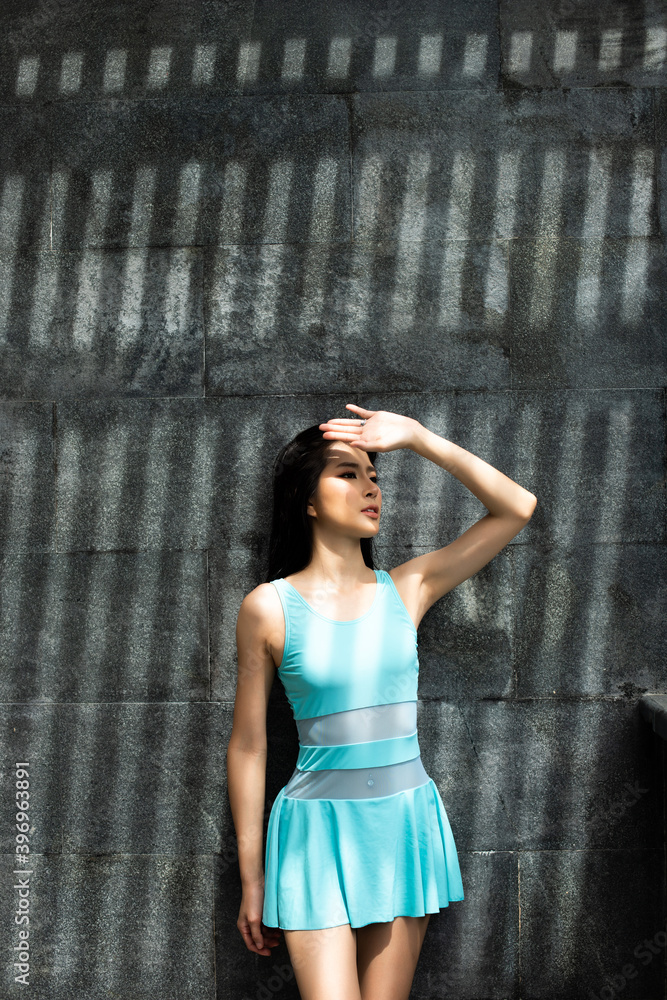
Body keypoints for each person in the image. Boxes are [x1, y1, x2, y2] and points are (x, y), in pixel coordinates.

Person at [227, 403, 537, 1000]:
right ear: (307, 500)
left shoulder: (409, 588)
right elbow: (248, 744)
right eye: (348, 474)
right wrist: (251, 877)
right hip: (314, 836)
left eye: (374, 475)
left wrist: (419, 439)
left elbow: (516, 508)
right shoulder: (268, 607)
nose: (370, 487)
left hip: (403, 825)